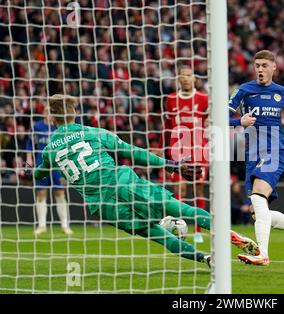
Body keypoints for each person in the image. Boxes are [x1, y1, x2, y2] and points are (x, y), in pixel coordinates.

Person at [32, 94, 259, 267]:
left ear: (52, 117)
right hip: (122, 182)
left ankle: (206, 258)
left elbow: (39, 173)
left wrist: (34, 170)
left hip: (101, 204)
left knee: (156, 235)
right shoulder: (94, 132)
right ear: (74, 112)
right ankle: (226, 235)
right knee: (181, 208)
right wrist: (170, 164)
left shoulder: (50, 150)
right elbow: (134, 152)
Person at [228, 50, 284, 266]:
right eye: (257, 65)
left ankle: (263, 254)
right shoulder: (244, 91)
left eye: (265, 65)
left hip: (273, 151)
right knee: (258, 212)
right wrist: (239, 122)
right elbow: (222, 115)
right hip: (252, 156)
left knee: (257, 198)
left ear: (274, 67)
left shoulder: (282, 92)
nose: (260, 69)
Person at [163, 65, 209, 243]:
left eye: (189, 75)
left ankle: (198, 230)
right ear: (178, 79)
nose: (185, 79)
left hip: (198, 150)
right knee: (178, 189)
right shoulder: (171, 99)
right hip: (177, 151)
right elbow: (167, 128)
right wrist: (165, 149)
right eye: (182, 76)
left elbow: (208, 124)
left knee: (198, 189)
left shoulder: (203, 99)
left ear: (194, 78)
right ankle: (180, 226)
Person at [26, 105, 73, 235]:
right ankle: (42, 225)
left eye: (50, 111)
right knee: (41, 194)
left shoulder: (58, 127)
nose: (48, 113)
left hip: (58, 165)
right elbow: (30, 145)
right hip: (42, 165)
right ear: (42, 113)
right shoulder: (37, 127)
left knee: (60, 193)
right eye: (46, 111)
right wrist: (29, 160)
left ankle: (65, 225)